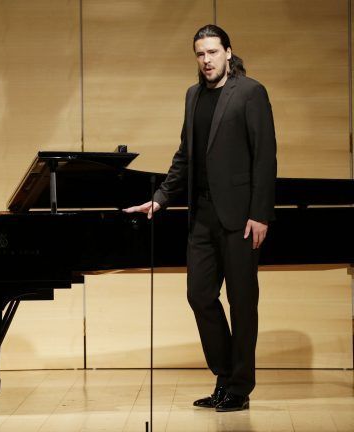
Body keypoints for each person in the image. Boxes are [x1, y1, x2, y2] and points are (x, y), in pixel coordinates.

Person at [125, 24, 276, 412]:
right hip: (203, 216)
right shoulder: (193, 95)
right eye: (200, 54)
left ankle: (239, 388)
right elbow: (185, 156)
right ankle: (225, 377)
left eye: (212, 52)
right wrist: (160, 199)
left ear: (228, 52)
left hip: (241, 218)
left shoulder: (251, 92)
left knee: (242, 303)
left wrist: (260, 214)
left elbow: (265, 157)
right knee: (199, 295)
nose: (206, 60)